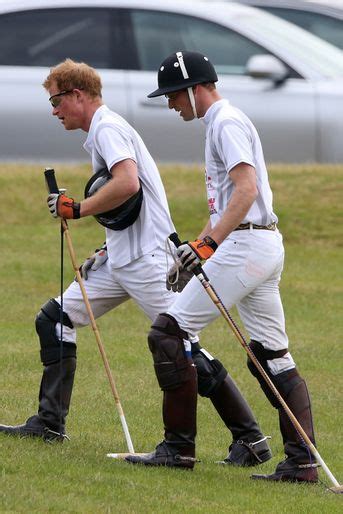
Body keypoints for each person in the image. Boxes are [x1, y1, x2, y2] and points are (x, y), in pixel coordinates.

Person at [0, 59, 272, 467]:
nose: (54, 110)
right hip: (121, 258)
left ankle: (250, 439)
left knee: (181, 345)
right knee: (54, 318)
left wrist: (79, 209)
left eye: (57, 100)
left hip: (147, 260)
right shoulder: (100, 132)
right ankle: (49, 422)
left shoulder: (108, 128)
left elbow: (126, 182)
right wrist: (109, 245)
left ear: (77, 95)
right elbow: (128, 202)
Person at [125, 51, 317, 483]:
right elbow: (226, 203)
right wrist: (194, 248)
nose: (172, 105)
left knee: (167, 332)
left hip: (246, 245)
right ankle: (302, 464)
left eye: (174, 96)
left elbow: (246, 190)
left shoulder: (225, 122)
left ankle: (178, 450)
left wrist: (208, 245)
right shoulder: (220, 123)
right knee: (271, 356)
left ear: (195, 89)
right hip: (258, 243)